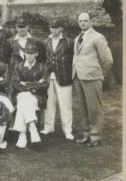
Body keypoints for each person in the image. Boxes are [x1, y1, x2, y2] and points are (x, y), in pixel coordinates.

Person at [72, 12, 113, 147]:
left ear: (91, 22)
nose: (82, 23)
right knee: (82, 107)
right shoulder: (78, 37)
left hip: (92, 77)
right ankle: (86, 134)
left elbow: (107, 60)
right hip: (78, 76)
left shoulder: (98, 37)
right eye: (80, 21)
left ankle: (95, 136)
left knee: (94, 107)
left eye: (85, 20)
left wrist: (99, 74)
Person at [40, 18, 75, 140]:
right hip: (49, 77)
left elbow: (73, 60)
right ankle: (49, 127)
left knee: (65, 105)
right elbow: (42, 59)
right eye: (52, 27)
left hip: (64, 77)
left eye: (57, 27)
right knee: (49, 104)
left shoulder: (69, 42)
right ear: (50, 28)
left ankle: (67, 130)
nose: (54, 29)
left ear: (61, 28)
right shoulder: (45, 42)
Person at [11, 42, 49, 148]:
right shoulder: (18, 66)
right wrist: (36, 83)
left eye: (32, 53)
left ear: (36, 54)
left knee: (25, 100)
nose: (29, 55)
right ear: (24, 54)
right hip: (20, 94)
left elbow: (45, 85)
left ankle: (22, 135)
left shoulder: (42, 67)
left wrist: (26, 84)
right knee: (25, 98)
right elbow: (15, 84)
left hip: (38, 97)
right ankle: (32, 127)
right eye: (27, 53)